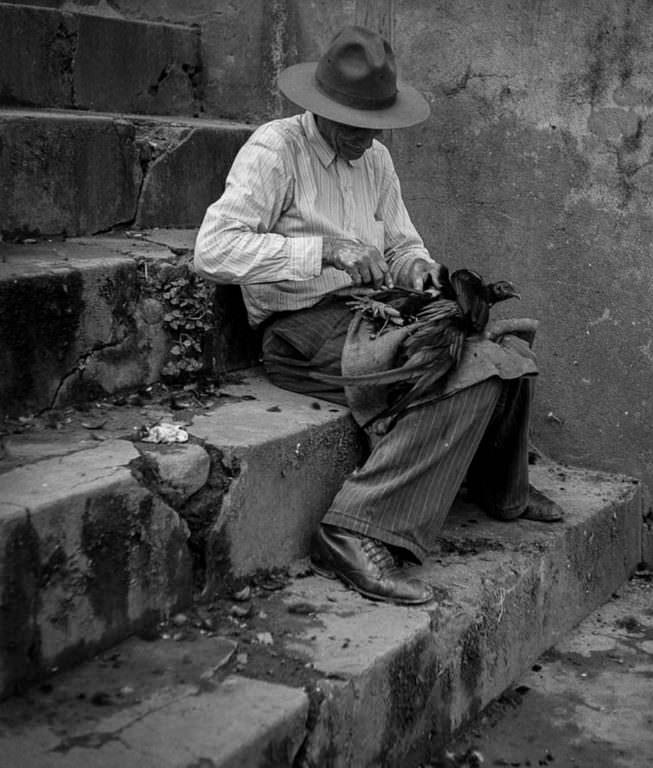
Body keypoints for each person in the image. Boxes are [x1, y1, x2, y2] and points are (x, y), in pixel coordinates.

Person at [194, 25, 562, 606]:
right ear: (320, 108)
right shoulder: (275, 149)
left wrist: (417, 270)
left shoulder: (377, 160)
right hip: (298, 329)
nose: (367, 139)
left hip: (372, 312)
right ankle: (352, 529)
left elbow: (402, 245)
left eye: (375, 126)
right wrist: (324, 252)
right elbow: (212, 251)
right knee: (456, 369)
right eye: (353, 126)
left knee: (506, 349)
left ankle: (500, 489)